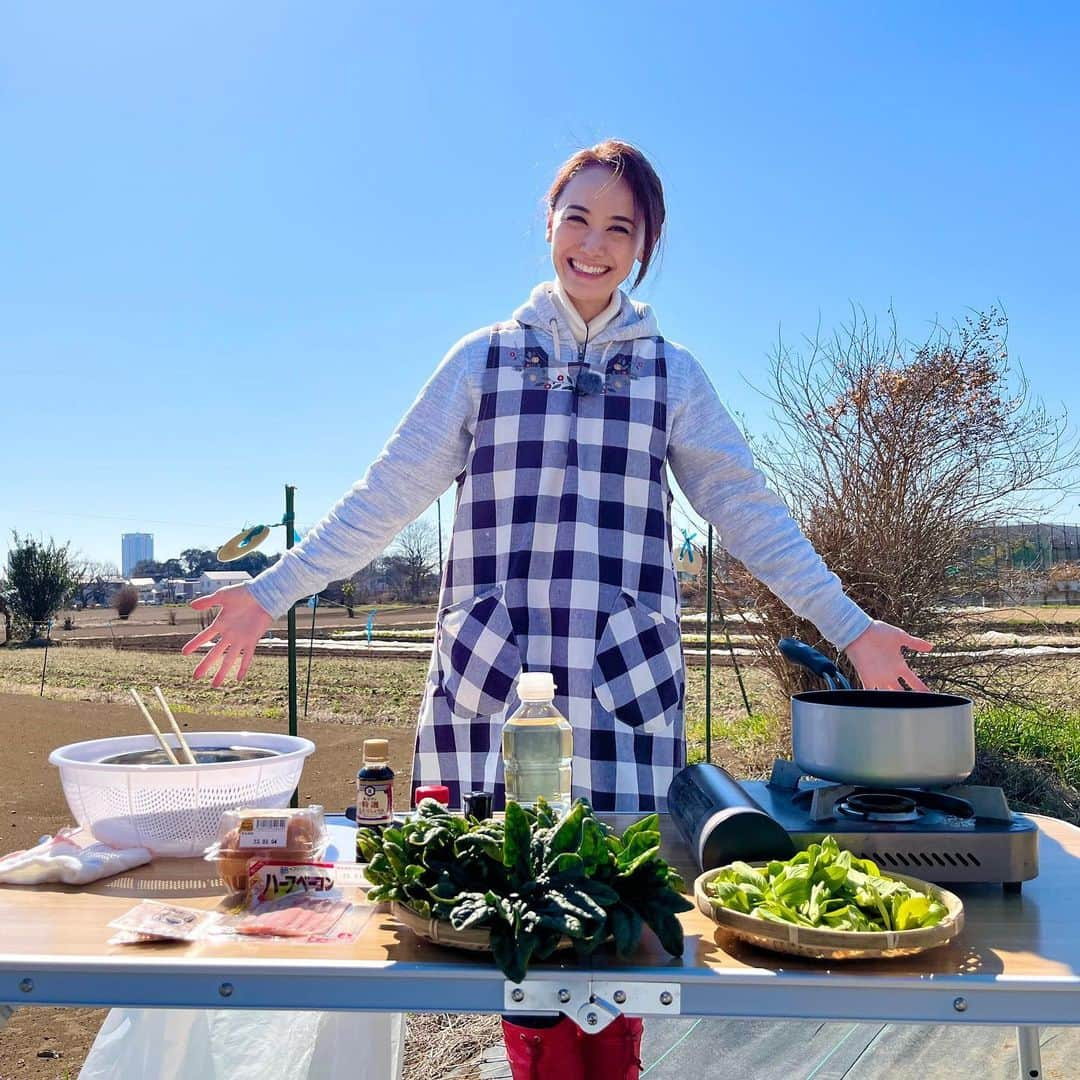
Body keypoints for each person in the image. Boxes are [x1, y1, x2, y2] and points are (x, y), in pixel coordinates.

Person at [183, 139, 931, 1079]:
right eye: (577, 217)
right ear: (548, 225)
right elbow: (383, 498)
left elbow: (748, 511)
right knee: (512, 944)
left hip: (625, 695)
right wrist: (266, 593)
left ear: (645, 246)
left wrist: (851, 627)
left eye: (621, 226)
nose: (594, 242)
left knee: (622, 941)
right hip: (493, 691)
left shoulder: (670, 374)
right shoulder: (484, 360)